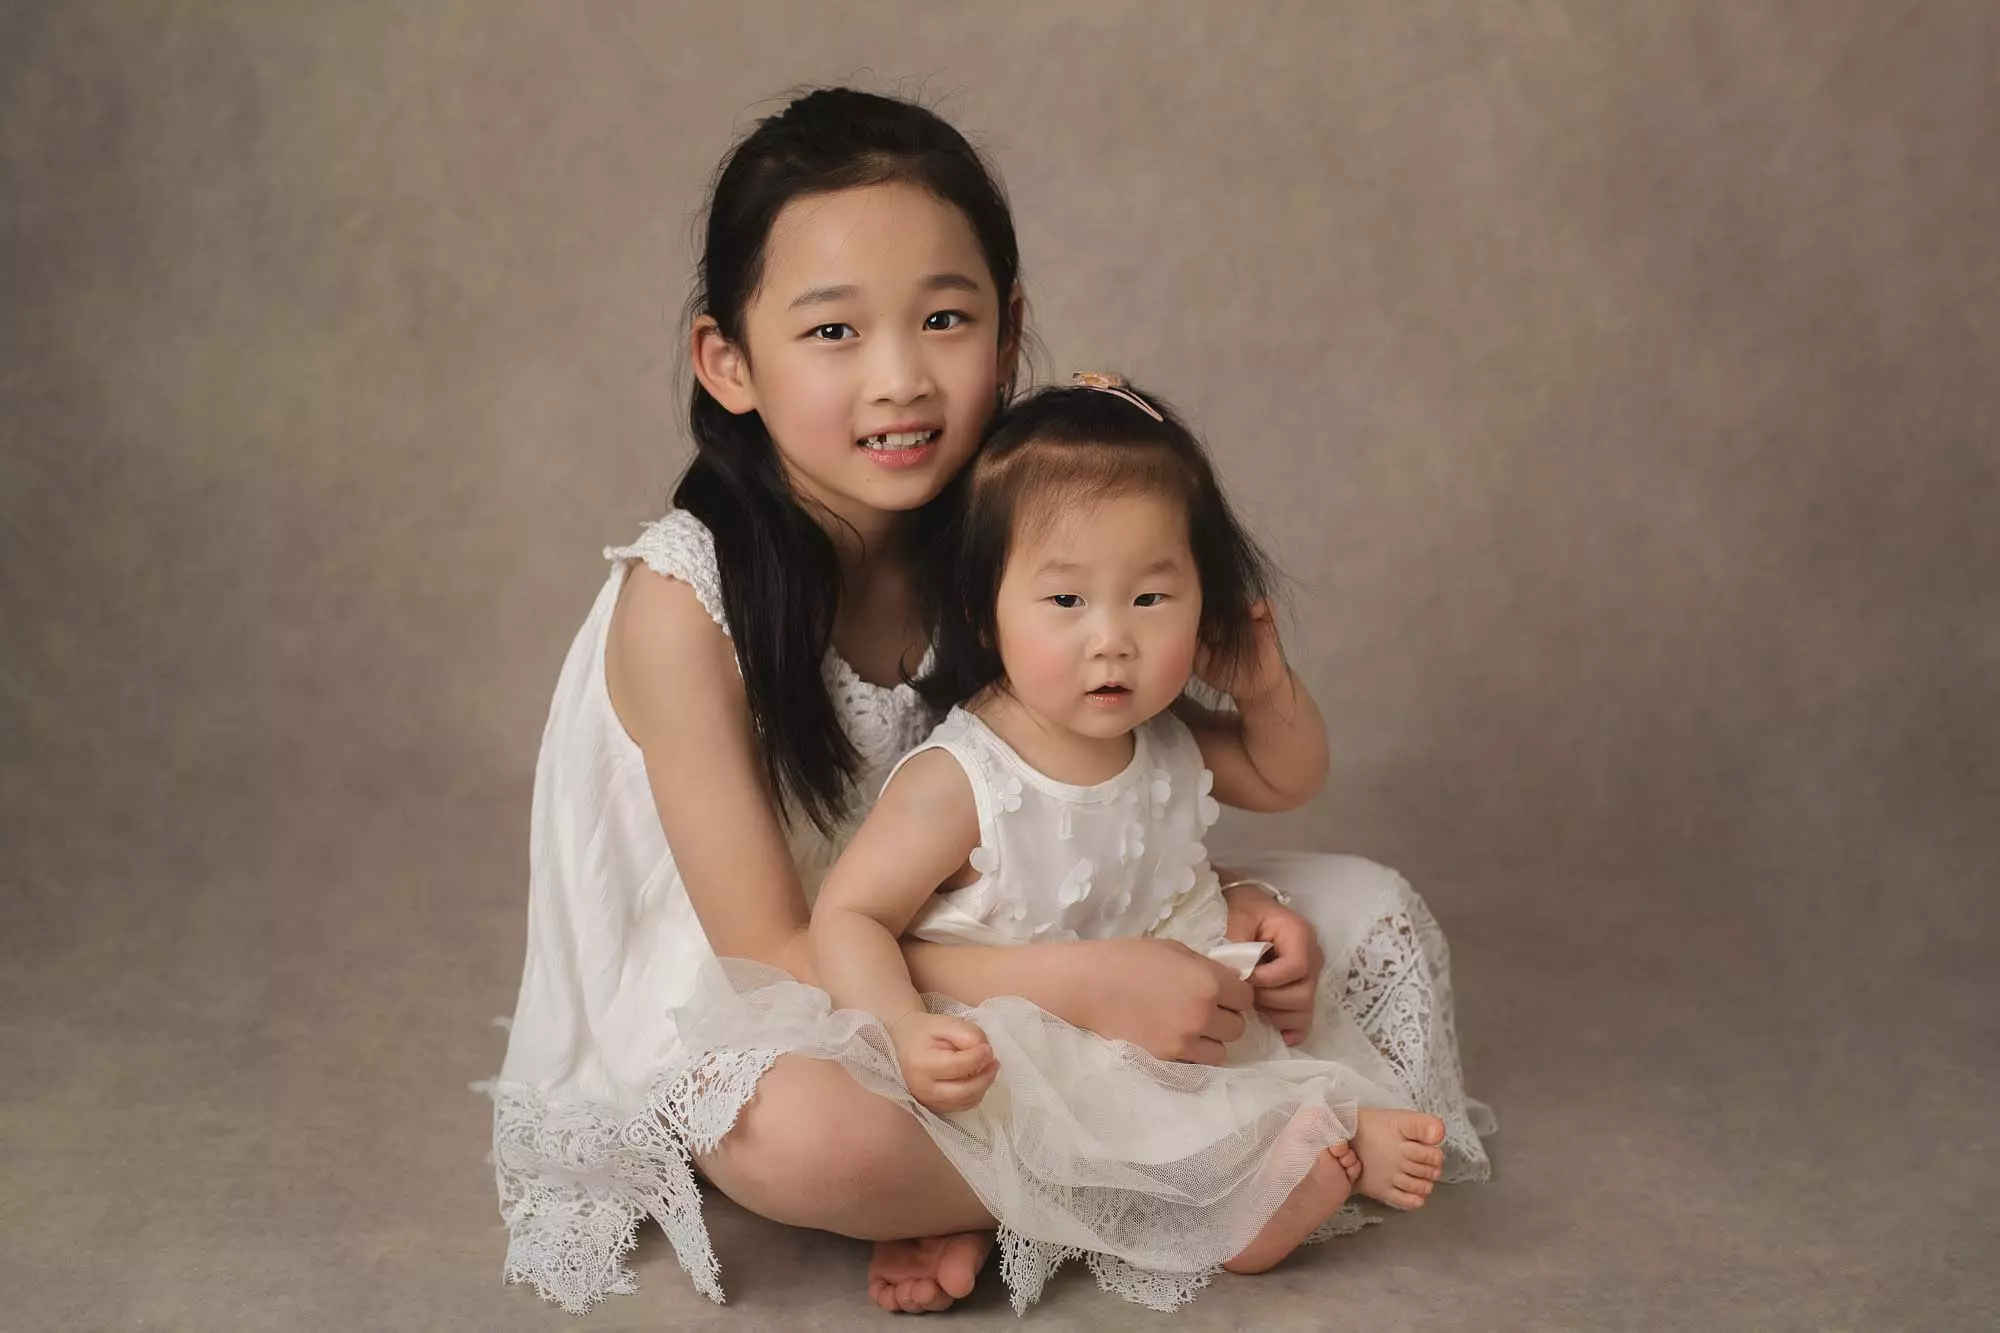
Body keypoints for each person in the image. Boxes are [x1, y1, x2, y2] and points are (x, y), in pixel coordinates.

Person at [488, 86, 1487, 1318]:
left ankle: (1001, 1186)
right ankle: (1201, 1169)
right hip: (780, 990)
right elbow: (777, 954)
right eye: (833, 331)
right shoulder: (684, 604)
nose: (901, 379)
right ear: (727, 363)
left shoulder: (1011, 532)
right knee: (803, 1135)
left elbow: (1086, 781)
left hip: (987, 918)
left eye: (943, 319)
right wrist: (1094, 984)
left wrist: (1226, 906)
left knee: (1365, 914)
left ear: (1008, 332)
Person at [674, 377, 1491, 1312]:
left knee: (1221, 1057)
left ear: (1204, 603)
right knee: (1024, 1112)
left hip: (1158, 1013)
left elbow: (1286, 776)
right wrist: (902, 1029)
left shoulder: (1165, 734)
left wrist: (1263, 689)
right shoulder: (966, 775)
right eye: (1065, 598)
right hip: (1015, 1034)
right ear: (984, 610)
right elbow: (849, 914)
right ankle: (1230, 1195)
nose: (1113, 640)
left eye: (1151, 597)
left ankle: (1238, 1168)